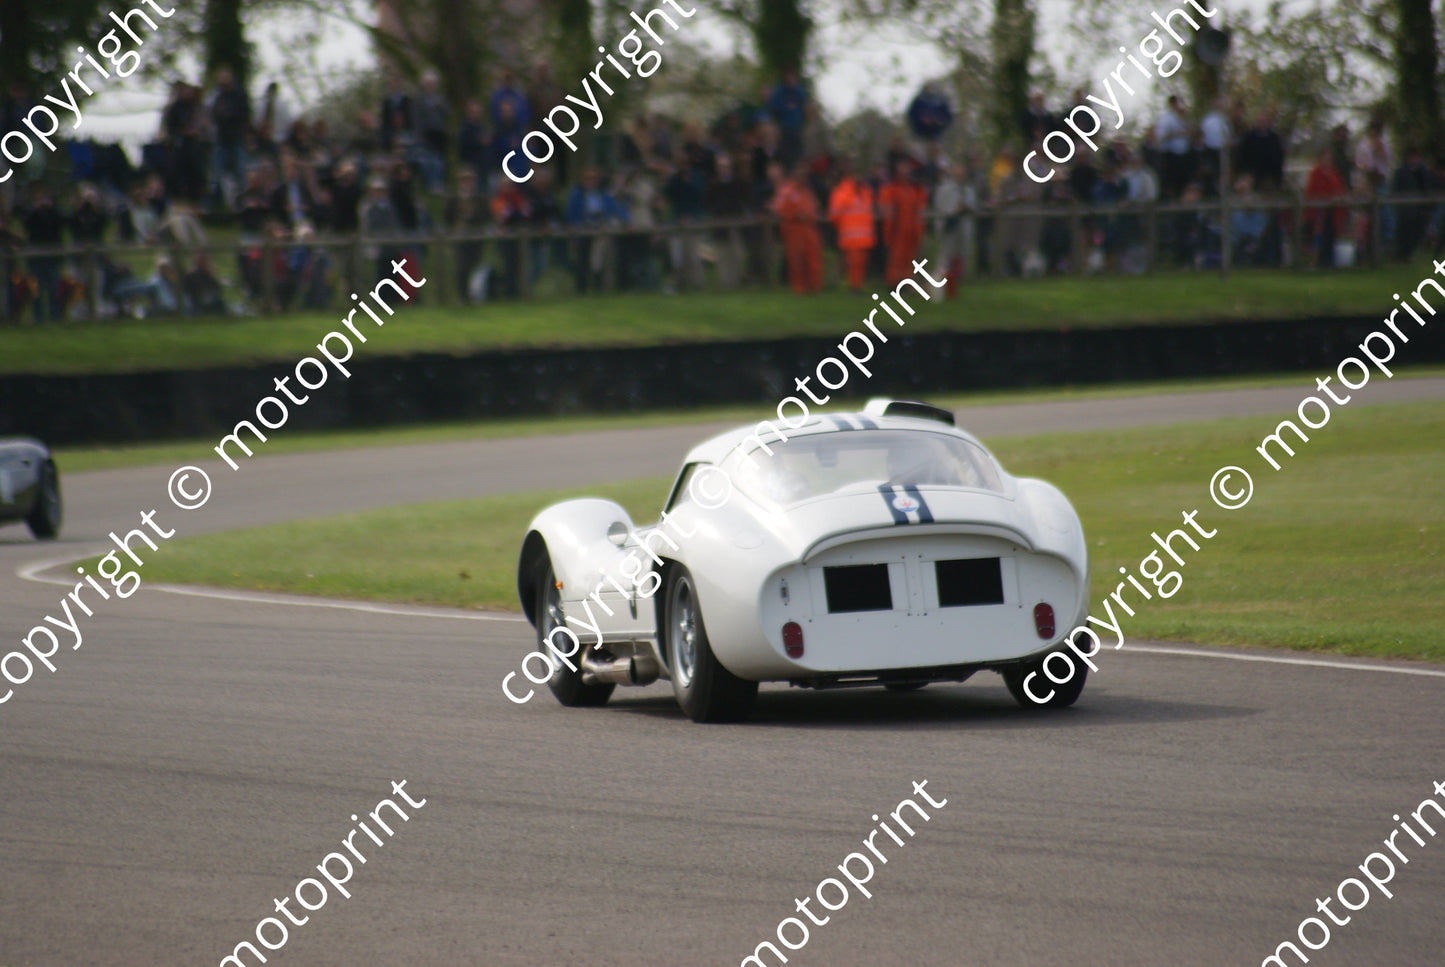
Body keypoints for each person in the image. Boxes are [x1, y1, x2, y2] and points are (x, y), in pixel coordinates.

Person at [769, 161, 822, 294]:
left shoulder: (807, 192)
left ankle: (814, 286)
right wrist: (795, 215)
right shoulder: (787, 191)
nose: (803, 178)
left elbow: (814, 208)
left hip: (809, 228)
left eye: (805, 175)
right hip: (794, 229)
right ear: (794, 176)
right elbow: (778, 209)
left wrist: (810, 216)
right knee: (796, 259)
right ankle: (799, 287)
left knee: (813, 257)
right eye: (800, 175)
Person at [877, 158, 928, 286]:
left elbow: (919, 210)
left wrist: (918, 231)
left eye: (907, 172)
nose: (905, 175)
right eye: (902, 172)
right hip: (897, 231)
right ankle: (893, 284)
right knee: (896, 259)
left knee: (908, 259)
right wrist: (889, 232)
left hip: (911, 231)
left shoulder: (913, 190)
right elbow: (886, 212)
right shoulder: (891, 189)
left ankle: (906, 283)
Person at [828, 158, 875, 292]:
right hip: (850, 237)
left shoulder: (866, 192)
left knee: (861, 264)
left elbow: (868, 212)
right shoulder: (842, 192)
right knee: (854, 264)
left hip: (864, 237)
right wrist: (844, 228)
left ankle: (857, 286)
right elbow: (834, 215)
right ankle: (854, 287)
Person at [1304, 146, 1348, 268]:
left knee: (1331, 237)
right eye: (1325, 157)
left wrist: (1339, 197)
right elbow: (1312, 193)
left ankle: (1329, 261)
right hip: (1319, 213)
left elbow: (1340, 189)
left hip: (1333, 213)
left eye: (1329, 158)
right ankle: (1318, 262)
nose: (1328, 160)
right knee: (1319, 238)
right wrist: (1328, 198)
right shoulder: (1315, 173)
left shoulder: (1333, 172)